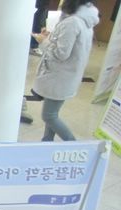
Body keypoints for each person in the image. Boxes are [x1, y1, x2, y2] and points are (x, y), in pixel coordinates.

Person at [32, 0, 99, 142]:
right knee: (53, 113)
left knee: (49, 116)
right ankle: (47, 142)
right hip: (68, 76)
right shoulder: (85, 19)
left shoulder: (72, 22)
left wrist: (43, 41)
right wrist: (49, 37)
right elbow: (70, 46)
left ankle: (73, 145)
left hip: (59, 76)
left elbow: (61, 54)